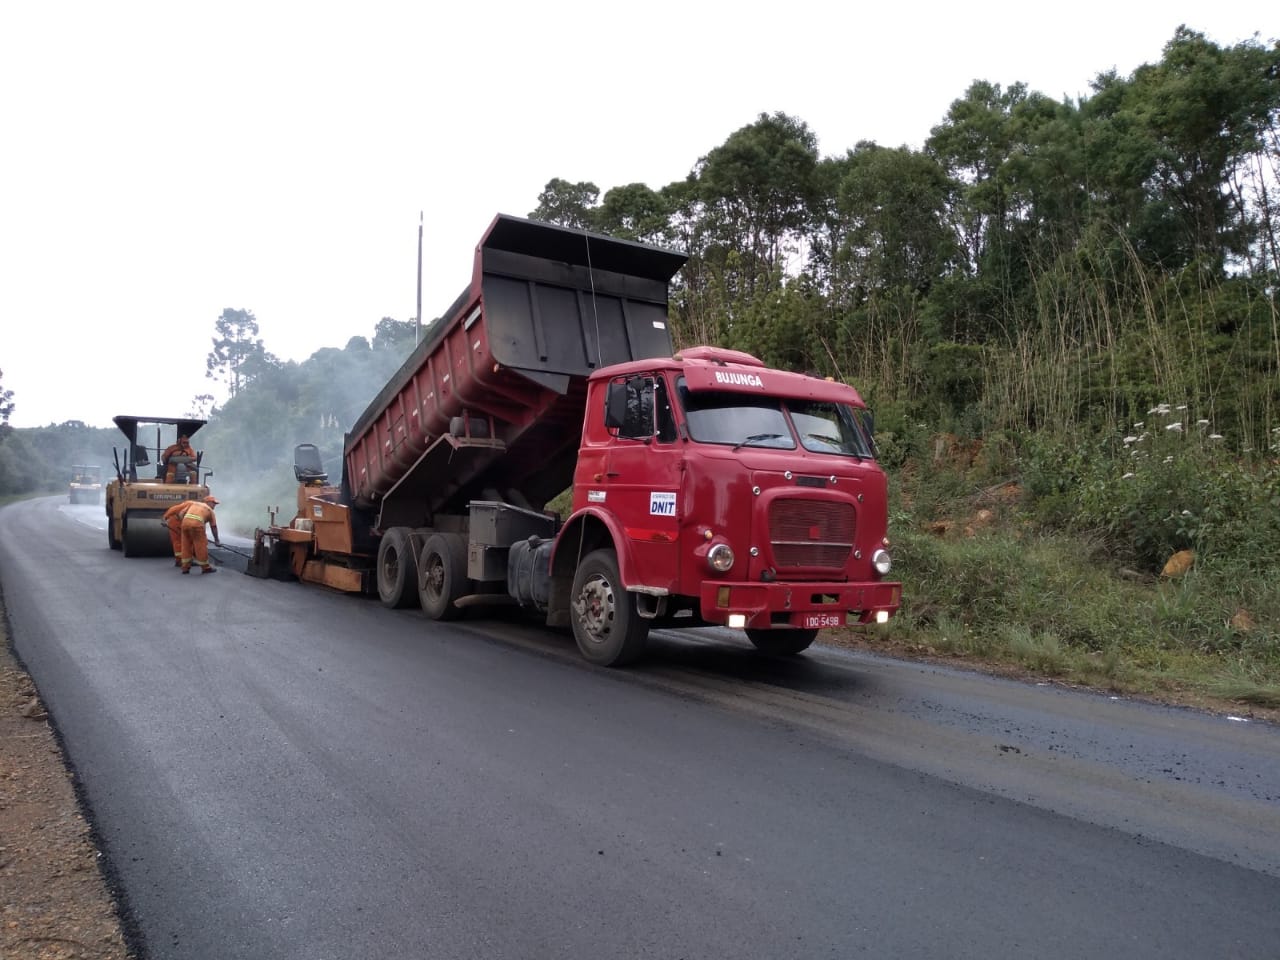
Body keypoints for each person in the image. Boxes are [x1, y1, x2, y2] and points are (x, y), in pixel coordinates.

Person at [179, 495, 222, 574]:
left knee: (186, 546)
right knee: (200, 547)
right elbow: (214, 527)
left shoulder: (194, 504)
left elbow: (181, 514)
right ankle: (206, 568)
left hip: (184, 524)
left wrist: (186, 523)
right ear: (207, 502)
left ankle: (185, 568)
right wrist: (217, 540)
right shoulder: (210, 510)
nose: (214, 505)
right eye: (213, 503)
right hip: (197, 527)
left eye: (215, 504)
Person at [161, 498, 199, 566]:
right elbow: (173, 509)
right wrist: (164, 518)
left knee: (189, 541)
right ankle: (179, 561)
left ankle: (189, 559)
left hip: (184, 522)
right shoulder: (190, 504)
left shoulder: (201, 509)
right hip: (175, 522)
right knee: (178, 541)